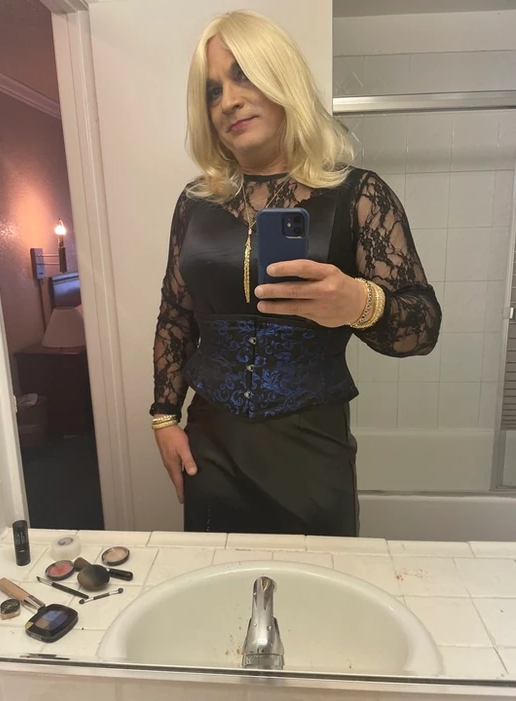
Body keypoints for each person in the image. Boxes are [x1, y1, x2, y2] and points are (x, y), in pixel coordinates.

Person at [150, 10, 442, 537]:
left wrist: (359, 303)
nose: (228, 101)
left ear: (281, 75)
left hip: (311, 454)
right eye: (213, 91)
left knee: (317, 585)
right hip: (210, 446)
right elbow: (176, 315)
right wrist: (165, 418)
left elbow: (422, 327)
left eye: (243, 75)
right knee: (218, 582)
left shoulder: (358, 195)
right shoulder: (195, 203)